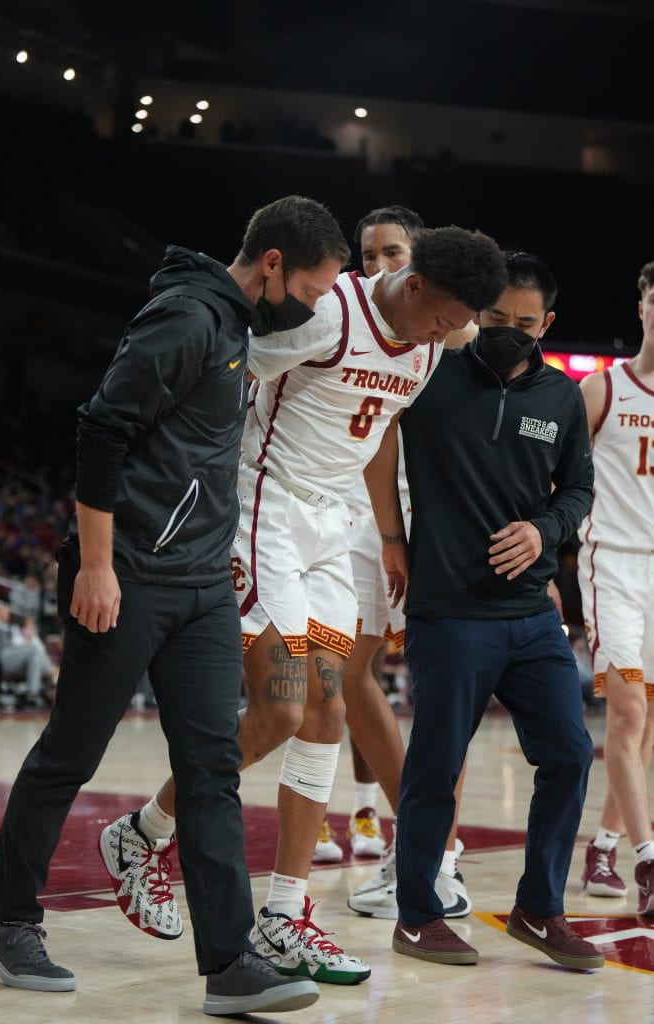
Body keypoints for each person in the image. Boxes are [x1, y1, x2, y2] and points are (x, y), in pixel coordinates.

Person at [0, 194, 352, 1017]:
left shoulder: (239, 327)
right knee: (72, 751)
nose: (320, 306)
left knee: (212, 767)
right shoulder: (185, 318)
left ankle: (229, 962)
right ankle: (6, 918)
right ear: (274, 265)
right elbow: (101, 430)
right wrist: (98, 566)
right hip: (131, 574)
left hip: (204, 585)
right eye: (317, 289)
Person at [101, 225, 508, 983]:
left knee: (325, 707)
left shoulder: (439, 335)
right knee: (283, 709)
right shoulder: (325, 317)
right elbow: (226, 376)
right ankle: (145, 832)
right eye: (448, 315)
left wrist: (389, 532)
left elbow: (386, 422)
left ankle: (284, 914)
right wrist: (200, 493)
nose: (457, 334)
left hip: (337, 528)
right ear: (414, 286)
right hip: (269, 512)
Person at [371, 251, 604, 971]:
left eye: (524, 323)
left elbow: (576, 492)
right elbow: (376, 439)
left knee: (567, 753)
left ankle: (538, 909)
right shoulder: (428, 372)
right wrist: (391, 538)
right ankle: (415, 915)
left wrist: (544, 530)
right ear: (477, 310)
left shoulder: (561, 399)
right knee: (435, 767)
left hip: (532, 613)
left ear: (547, 324)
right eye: (495, 317)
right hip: (449, 611)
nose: (508, 331)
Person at [311, 205, 474, 922]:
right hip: (356, 517)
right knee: (343, 674)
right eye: (368, 253)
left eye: (394, 252)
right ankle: (409, 834)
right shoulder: (343, 316)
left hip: (425, 521)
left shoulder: (443, 329)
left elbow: (473, 328)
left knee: (448, 687)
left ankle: (435, 850)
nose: (379, 265)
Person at [577, 260, 654, 912]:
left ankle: (603, 841)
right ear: (642, 307)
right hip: (613, 565)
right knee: (627, 713)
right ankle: (648, 861)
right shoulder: (603, 390)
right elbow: (555, 481)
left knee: (645, 722)